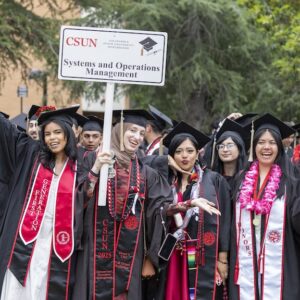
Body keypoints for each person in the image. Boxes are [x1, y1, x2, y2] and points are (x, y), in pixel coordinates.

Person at [72, 109, 174, 300]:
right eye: (132, 130)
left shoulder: (145, 173)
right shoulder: (94, 159)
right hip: (94, 248)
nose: (137, 137)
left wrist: (182, 206)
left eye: (142, 133)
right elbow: (77, 199)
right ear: (120, 130)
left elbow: (158, 208)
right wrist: (95, 171)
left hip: (129, 255)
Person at [0, 105, 84, 300]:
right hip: (26, 238)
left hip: (59, 240)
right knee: (18, 287)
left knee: (46, 286)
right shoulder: (32, 154)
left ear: (68, 134)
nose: (52, 138)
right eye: (47, 134)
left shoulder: (82, 163)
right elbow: (6, 131)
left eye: (57, 132)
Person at [228, 113, 300, 300]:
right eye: (261, 142)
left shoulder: (291, 181)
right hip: (245, 257)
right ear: (254, 146)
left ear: (279, 147)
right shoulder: (241, 179)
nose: (266, 147)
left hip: (281, 258)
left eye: (272, 142)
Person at [156, 121, 231, 300]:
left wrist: (222, 259)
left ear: (198, 153)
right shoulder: (165, 182)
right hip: (173, 252)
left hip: (201, 253)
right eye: (178, 151)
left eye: (190, 151)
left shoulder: (213, 180)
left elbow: (225, 219)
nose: (184, 156)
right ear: (171, 155)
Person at [212, 118, 249, 189]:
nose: (225, 150)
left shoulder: (248, 179)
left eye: (230, 145)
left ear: (239, 148)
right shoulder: (212, 179)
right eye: (221, 146)